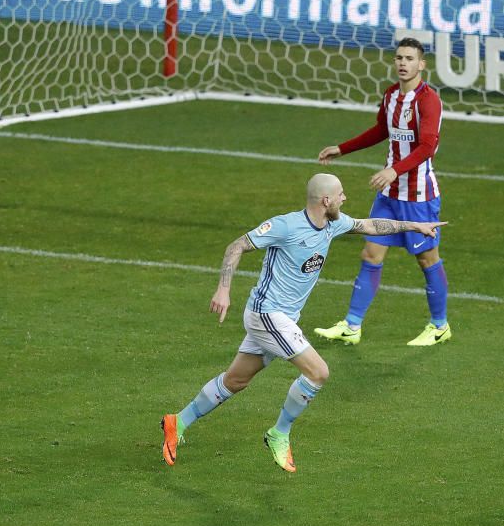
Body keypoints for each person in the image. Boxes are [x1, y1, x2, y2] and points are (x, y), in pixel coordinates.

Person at [160, 173, 445, 472]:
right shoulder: (285, 225)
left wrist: (415, 225)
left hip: (283, 318)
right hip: (267, 314)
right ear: (326, 200)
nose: (344, 198)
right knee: (318, 372)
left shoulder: (333, 223)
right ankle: (278, 433)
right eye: (341, 194)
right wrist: (223, 289)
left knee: (236, 380)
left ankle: (177, 422)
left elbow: (369, 224)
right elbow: (236, 246)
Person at [313, 37, 451, 347]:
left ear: (421, 64)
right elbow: (381, 130)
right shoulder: (391, 95)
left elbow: (427, 146)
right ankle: (352, 325)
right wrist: (342, 148)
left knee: (428, 260)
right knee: (370, 254)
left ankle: (440, 325)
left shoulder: (428, 101)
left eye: (410, 58)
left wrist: (394, 169)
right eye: (399, 58)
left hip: (418, 197)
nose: (403, 63)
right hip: (389, 196)